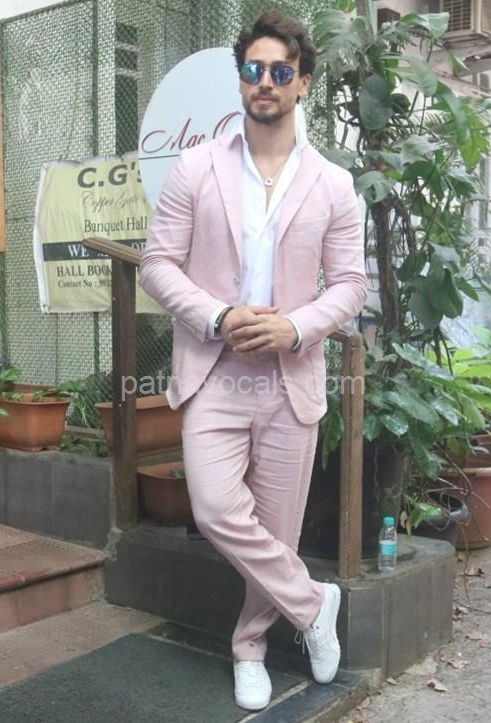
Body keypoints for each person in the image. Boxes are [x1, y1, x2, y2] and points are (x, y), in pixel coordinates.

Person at [139, 10, 366, 712]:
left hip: (290, 380)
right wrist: (217, 314)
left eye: (280, 71)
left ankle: (250, 647)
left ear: (303, 83)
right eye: (253, 69)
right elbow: (157, 264)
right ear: (241, 79)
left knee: (276, 529)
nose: (265, 81)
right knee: (214, 507)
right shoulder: (196, 167)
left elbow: (351, 285)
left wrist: (295, 327)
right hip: (214, 371)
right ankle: (314, 604)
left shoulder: (333, 184)